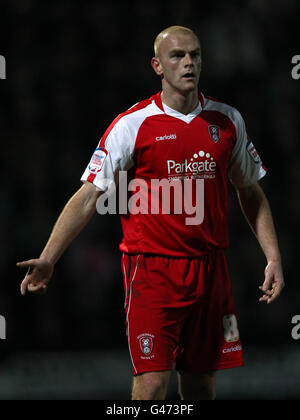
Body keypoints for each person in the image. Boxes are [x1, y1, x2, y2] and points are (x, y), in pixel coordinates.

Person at [17, 25, 284, 400]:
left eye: (195, 55)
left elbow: (250, 190)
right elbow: (88, 195)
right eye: (178, 56)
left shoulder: (228, 121)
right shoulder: (132, 125)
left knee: (201, 385)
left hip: (210, 269)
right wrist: (48, 257)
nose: (188, 63)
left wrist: (272, 256)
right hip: (153, 271)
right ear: (157, 66)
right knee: (153, 383)